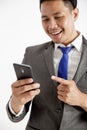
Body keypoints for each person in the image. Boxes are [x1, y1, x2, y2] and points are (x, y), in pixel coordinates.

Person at [6, 0, 87, 130]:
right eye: (45, 19)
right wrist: (16, 101)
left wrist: (82, 99)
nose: (52, 26)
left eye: (58, 17)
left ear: (75, 14)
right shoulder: (31, 54)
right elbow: (17, 113)